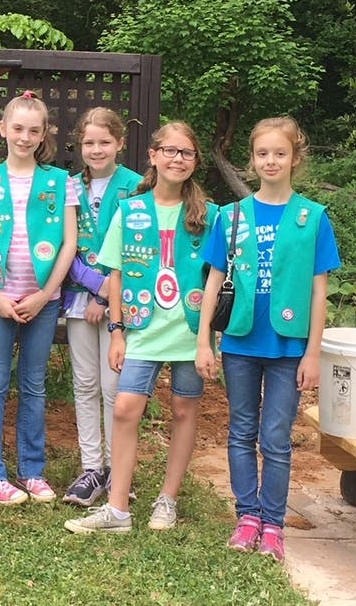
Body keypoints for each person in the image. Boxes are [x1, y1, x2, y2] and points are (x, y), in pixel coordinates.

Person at [196, 117, 339, 561]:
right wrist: (204, 340)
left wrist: (313, 353)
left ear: (295, 158)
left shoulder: (312, 218)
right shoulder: (230, 215)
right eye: (262, 153)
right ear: (252, 160)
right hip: (239, 341)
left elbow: (319, 292)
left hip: (288, 346)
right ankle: (247, 517)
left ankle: (273, 525)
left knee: (275, 437)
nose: (271, 161)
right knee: (240, 432)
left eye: (280, 153)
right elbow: (215, 280)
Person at [65, 121, 218, 535]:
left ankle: (167, 499)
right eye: (169, 150)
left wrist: (206, 340)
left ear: (195, 161)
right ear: (152, 156)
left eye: (186, 153)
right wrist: (117, 331)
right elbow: (113, 274)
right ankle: (117, 509)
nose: (177, 159)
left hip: (189, 332)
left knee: (185, 410)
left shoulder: (211, 217)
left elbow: (216, 279)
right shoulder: (131, 209)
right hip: (142, 330)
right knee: (125, 409)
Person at [0, 91, 79, 505]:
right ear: (3, 130)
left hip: (43, 302)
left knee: (33, 385)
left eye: (34, 130)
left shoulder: (60, 182)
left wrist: (46, 294)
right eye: (17, 128)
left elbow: (69, 243)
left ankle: (32, 471)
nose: (25, 136)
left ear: (44, 133)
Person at [60, 108, 142, 507]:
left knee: (115, 388)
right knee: (86, 383)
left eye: (104, 142)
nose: (96, 150)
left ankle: (117, 468)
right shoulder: (69, 187)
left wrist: (104, 295)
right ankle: (92, 467)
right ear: (79, 145)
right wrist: (91, 287)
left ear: (120, 144)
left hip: (120, 303)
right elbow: (64, 241)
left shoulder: (137, 186)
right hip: (78, 297)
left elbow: (138, 247)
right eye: (89, 143)